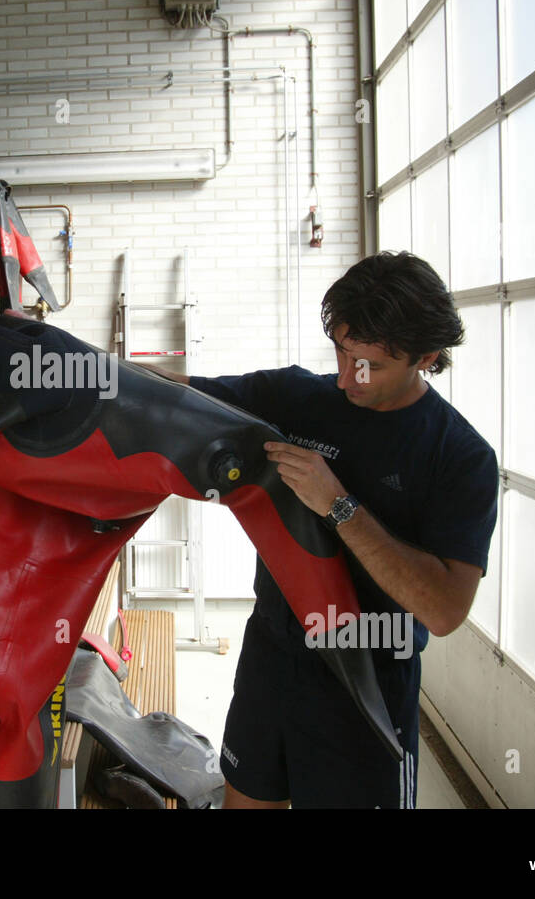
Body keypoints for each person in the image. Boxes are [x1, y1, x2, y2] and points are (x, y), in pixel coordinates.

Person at [148, 251, 499, 808]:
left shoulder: (459, 457)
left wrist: (339, 506)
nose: (344, 377)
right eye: (340, 351)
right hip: (271, 656)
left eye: (368, 365)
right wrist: (74, 365)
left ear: (427, 358)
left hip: (366, 684)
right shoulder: (298, 398)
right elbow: (171, 394)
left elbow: (445, 609)